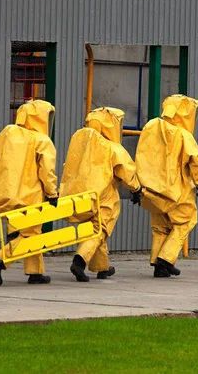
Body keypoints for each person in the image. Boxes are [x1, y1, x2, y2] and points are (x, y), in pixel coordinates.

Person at [0, 99, 58, 286]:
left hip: (9, 195)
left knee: (24, 234)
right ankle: (0, 259)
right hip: (31, 196)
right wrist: (52, 194)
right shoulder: (41, 140)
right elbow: (46, 171)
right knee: (30, 235)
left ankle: (35, 272)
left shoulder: (8, 134)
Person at [61, 107, 141, 282]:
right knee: (100, 230)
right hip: (103, 198)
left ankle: (102, 268)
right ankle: (79, 261)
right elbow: (126, 173)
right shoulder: (112, 148)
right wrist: (137, 189)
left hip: (80, 196)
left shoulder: (82, 145)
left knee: (96, 230)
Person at [135, 95, 198, 278]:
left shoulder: (151, 127)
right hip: (177, 188)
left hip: (151, 188)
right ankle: (166, 259)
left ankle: (158, 264)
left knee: (160, 226)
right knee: (185, 221)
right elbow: (194, 161)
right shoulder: (183, 134)